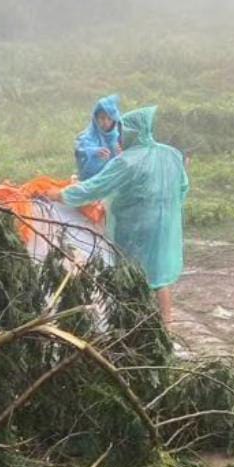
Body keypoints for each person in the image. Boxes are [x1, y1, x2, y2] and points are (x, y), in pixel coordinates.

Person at [50, 107, 189, 327]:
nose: (119, 136)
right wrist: (168, 210)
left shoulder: (127, 161)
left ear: (135, 131)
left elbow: (94, 188)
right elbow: (183, 187)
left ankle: (130, 325)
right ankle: (166, 326)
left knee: (129, 275)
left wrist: (61, 194)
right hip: (164, 227)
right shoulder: (171, 154)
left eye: (123, 130)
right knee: (159, 276)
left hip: (134, 228)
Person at [75, 94, 123, 181]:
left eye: (109, 119)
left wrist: (120, 154)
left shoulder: (117, 136)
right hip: (90, 181)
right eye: (102, 118)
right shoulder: (86, 137)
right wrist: (95, 152)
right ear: (95, 119)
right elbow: (82, 151)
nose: (106, 122)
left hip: (112, 180)